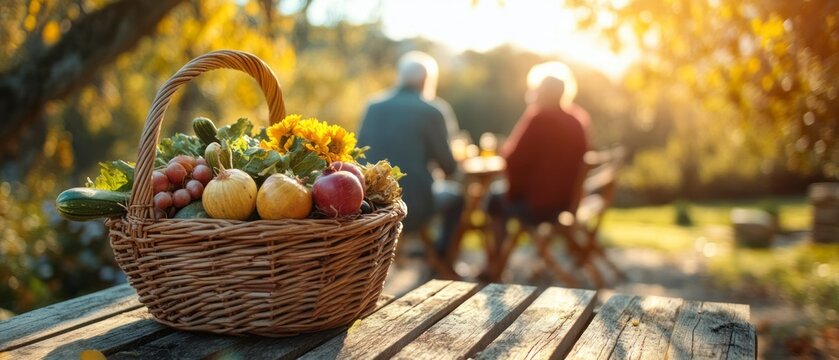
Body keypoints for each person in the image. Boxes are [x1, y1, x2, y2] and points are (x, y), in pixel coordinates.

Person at [357, 51, 464, 256]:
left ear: (400, 77)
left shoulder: (372, 106)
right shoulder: (433, 110)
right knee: (457, 197)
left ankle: (421, 254)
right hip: (414, 207)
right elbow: (449, 167)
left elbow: (359, 155)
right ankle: (441, 260)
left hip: (371, 207)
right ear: (427, 81)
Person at [488, 61, 591, 243]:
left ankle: (495, 263)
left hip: (541, 205)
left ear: (539, 92)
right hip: (568, 201)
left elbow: (513, 159)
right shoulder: (577, 119)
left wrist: (502, 151)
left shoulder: (539, 118)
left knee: (494, 199)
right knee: (498, 196)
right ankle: (499, 261)